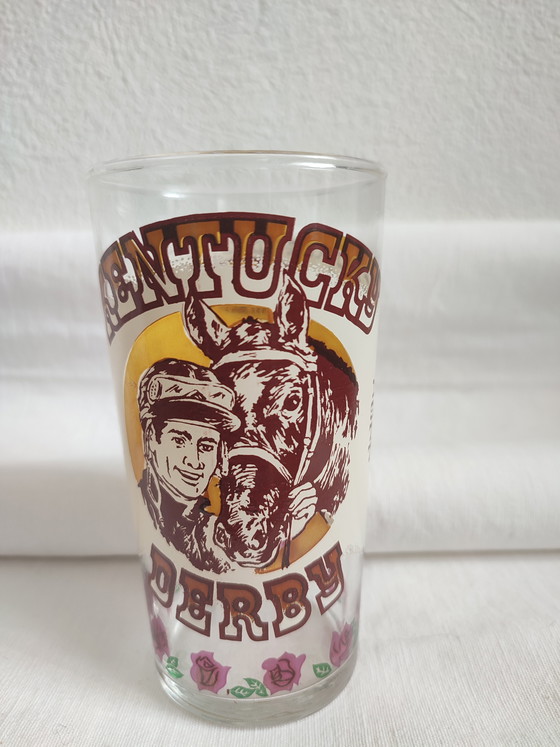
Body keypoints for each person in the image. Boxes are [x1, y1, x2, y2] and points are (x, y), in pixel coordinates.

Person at [137, 358, 241, 573]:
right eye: (179, 441)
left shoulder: (215, 534)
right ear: (151, 438)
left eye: (206, 446)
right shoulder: (145, 510)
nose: (194, 461)